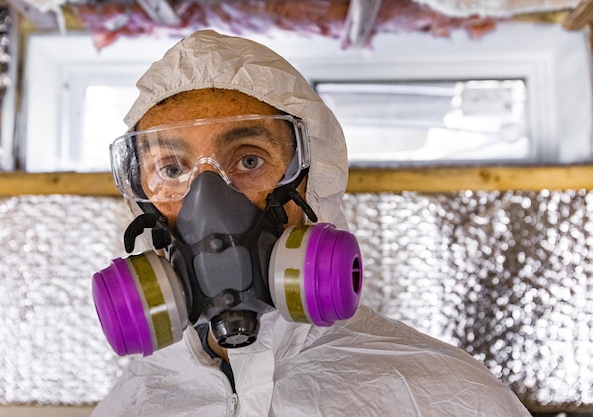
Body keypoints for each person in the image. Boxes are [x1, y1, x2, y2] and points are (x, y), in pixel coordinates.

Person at [90, 29, 532, 417]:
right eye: (171, 170)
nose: (207, 202)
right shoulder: (134, 403)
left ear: (312, 179)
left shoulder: (443, 395)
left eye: (249, 159)